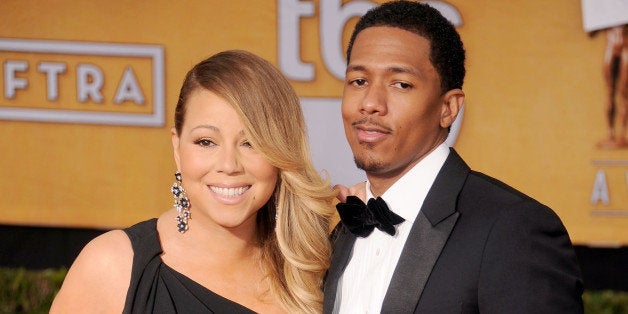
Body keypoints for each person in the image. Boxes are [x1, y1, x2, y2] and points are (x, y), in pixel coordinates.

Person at [324, 1, 584, 313]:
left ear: (448, 108)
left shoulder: (513, 230)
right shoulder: (340, 229)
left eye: (401, 84)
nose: (370, 103)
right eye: (359, 81)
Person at [50, 50, 337, 313]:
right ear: (177, 148)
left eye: (251, 143)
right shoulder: (113, 266)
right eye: (206, 142)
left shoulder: (314, 265)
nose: (229, 165)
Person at [597, 24, 628, 149]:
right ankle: (610, 134)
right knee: (610, 92)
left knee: (624, 92)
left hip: (626, 47)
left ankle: (621, 134)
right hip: (611, 45)